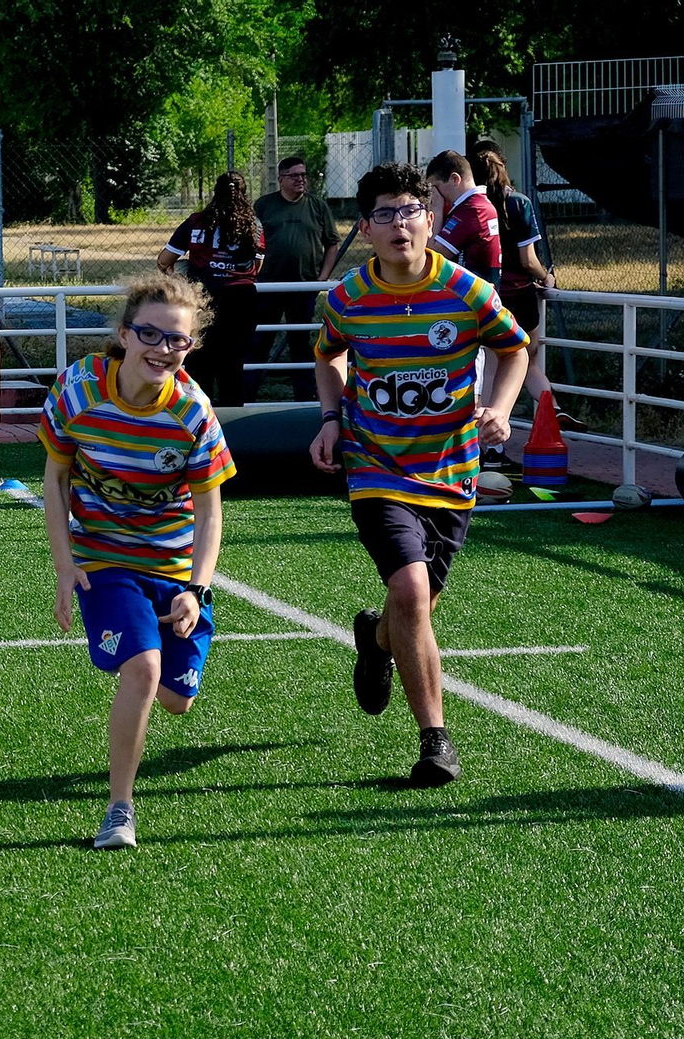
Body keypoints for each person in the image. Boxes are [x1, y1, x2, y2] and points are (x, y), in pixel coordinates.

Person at [308, 163, 529, 787]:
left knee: (417, 606)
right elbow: (327, 355)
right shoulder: (348, 298)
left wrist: (502, 409)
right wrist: (331, 416)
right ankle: (436, 740)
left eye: (410, 210)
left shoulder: (468, 293)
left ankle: (375, 642)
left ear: (430, 221)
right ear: (366, 228)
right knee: (409, 592)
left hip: (451, 470)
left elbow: (514, 348)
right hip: (376, 466)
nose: (400, 223)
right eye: (385, 214)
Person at [41, 272, 234, 850]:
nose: (163, 349)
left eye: (177, 341)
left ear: (191, 346)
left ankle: (175, 636)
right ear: (125, 335)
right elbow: (54, 475)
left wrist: (196, 590)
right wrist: (63, 563)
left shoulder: (193, 414)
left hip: (172, 566)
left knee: (176, 698)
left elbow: (209, 514)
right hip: (103, 558)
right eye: (150, 334)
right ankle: (119, 810)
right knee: (143, 669)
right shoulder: (78, 389)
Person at [469, 142, 585, 436]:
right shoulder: (519, 203)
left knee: (494, 364)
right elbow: (528, 259)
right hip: (522, 296)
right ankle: (552, 407)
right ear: (503, 166)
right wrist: (547, 277)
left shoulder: (472, 208)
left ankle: (490, 442)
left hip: (488, 297)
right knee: (528, 358)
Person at [158, 171, 263, 406]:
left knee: (199, 363)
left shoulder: (196, 221)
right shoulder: (253, 224)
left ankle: (198, 424)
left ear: (215, 193)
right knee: (233, 365)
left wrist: (181, 279)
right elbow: (256, 267)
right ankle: (231, 429)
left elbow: (164, 261)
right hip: (241, 300)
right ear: (244, 195)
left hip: (202, 297)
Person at [252, 156, 342, 401]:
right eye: (294, 176)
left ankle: (304, 396)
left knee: (301, 344)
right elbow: (249, 242)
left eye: (303, 175)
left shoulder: (317, 206)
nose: (300, 180)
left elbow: (332, 243)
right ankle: (247, 393)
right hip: (268, 287)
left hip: (304, 286)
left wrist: (322, 279)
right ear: (281, 179)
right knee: (260, 341)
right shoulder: (264, 206)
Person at [424, 150, 501, 287]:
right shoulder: (474, 205)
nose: (434, 194)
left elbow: (433, 255)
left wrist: (436, 208)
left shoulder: (472, 210)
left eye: (435, 187)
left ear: (455, 179)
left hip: (473, 297)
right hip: (474, 291)